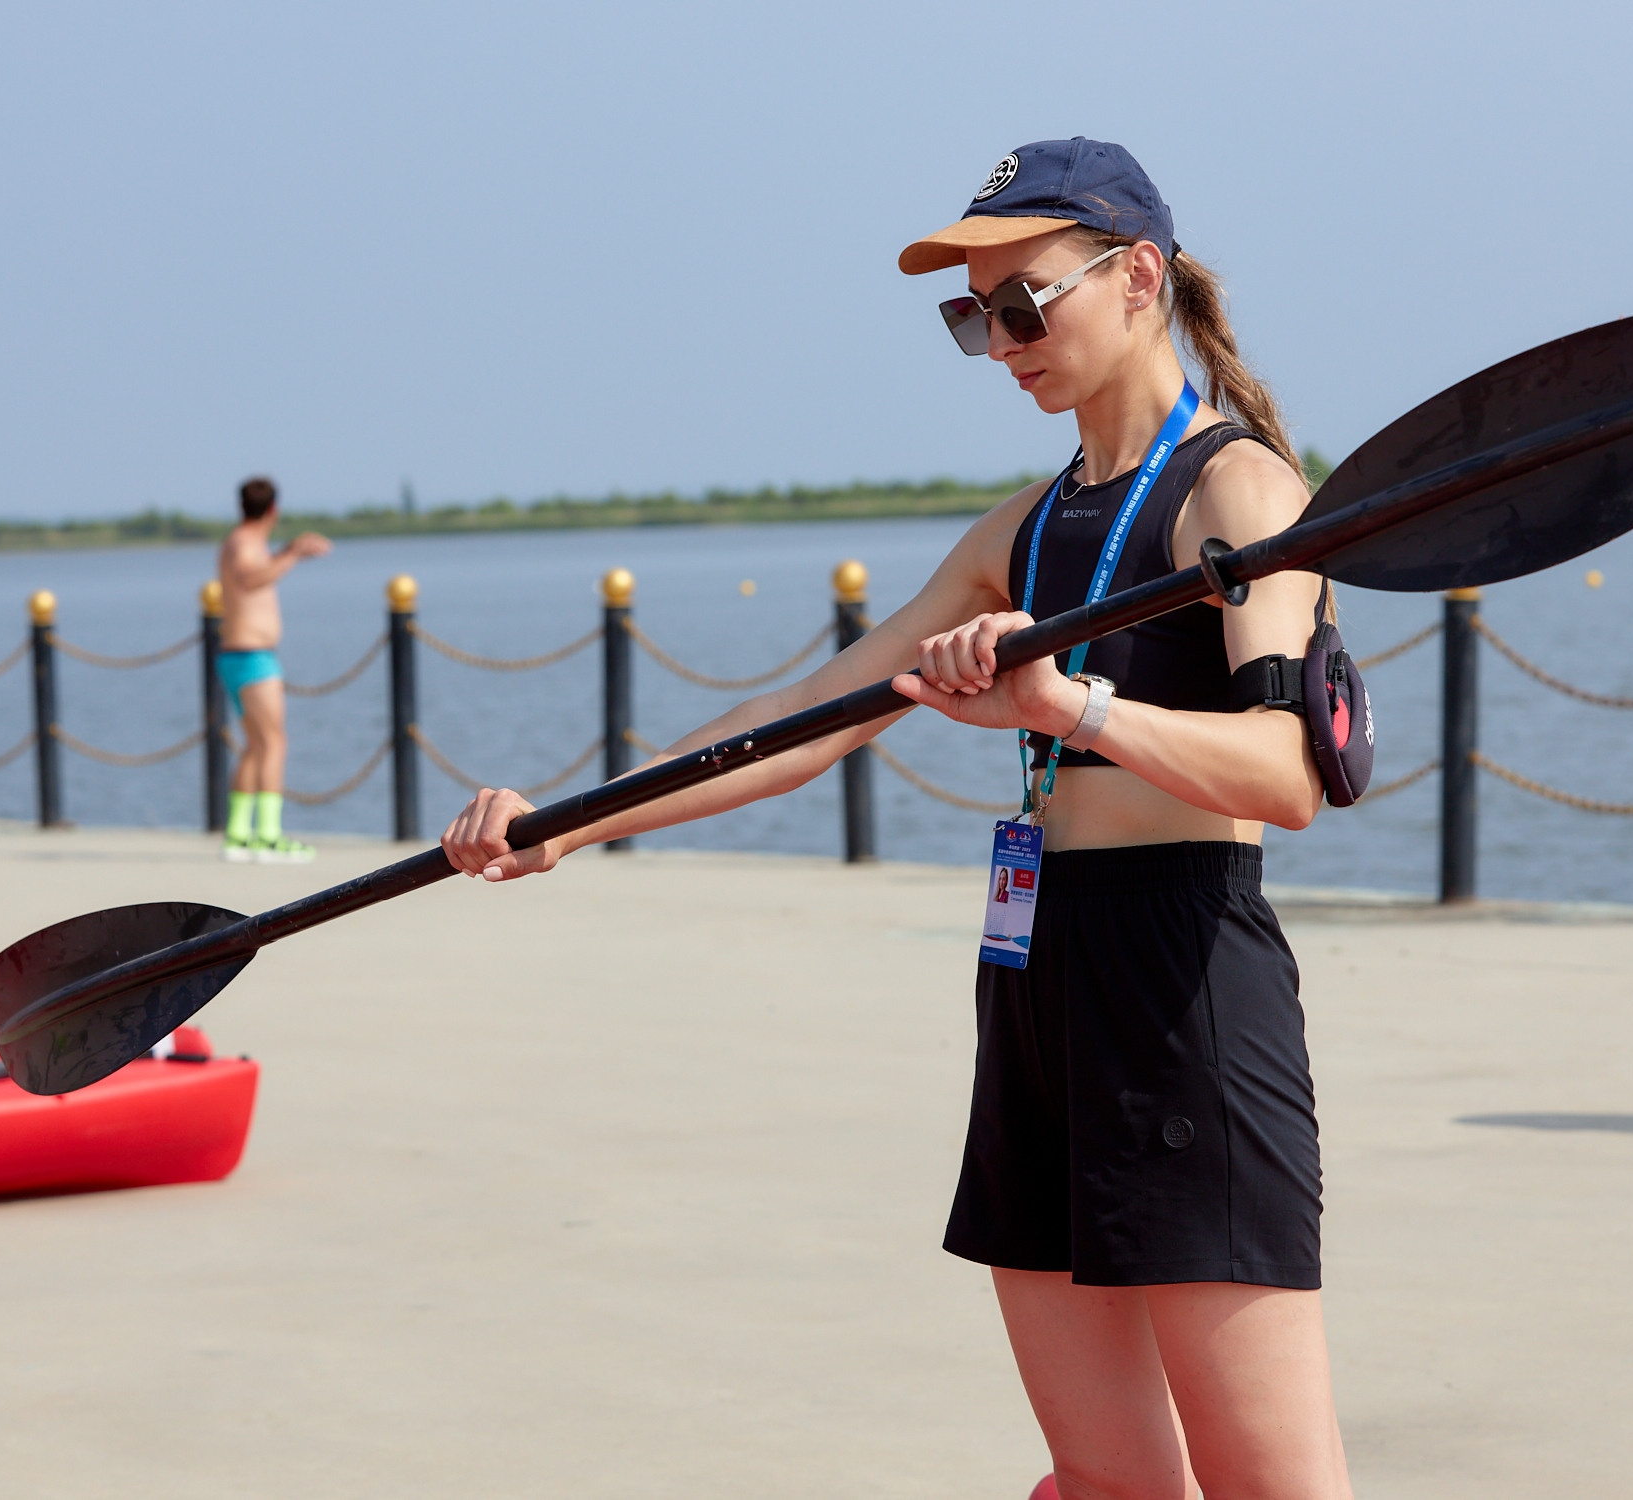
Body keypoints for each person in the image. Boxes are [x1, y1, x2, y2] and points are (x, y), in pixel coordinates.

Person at [443, 138, 1351, 1499]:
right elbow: (809, 715)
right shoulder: (1021, 530)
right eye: (969, 317)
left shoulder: (1239, 495)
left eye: (1021, 303)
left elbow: (1288, 777)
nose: (998, 343)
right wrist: (571, 823)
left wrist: (1069, 708)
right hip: (1035, 983)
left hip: (1186, 988)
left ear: (1138, 277)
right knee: (1104, 1483)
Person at [217, 475, 331, 863]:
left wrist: (288, 549)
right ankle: (267, 836)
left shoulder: (244, 543)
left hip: (241, 656)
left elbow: (255, 567)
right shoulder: (245, 542)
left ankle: (238, 834)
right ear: (273, 510)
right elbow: (251, 577)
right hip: (253, 658)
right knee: (274, 743)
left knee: (254, 745)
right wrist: (295, 554)